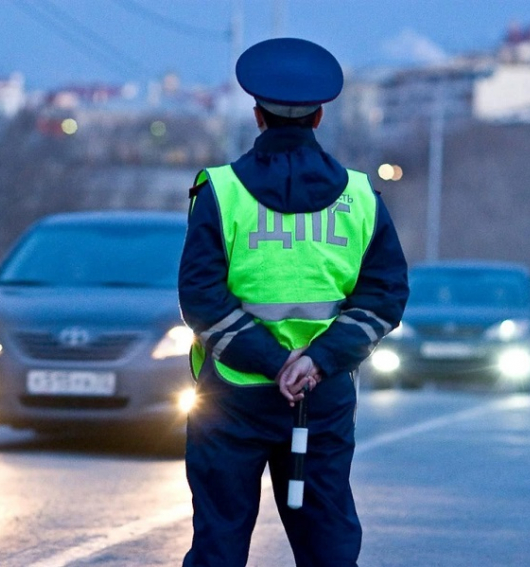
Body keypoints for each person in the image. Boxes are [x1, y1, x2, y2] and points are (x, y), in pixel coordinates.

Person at [178, 37, 409, 567]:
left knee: (219, 543)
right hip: (320, 400)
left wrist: (271, 361)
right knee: (327, 546)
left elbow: (201, 298)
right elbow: (384, 296)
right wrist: (314, 362)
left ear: (256, 115)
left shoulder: (220, 191)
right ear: (320, 117)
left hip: (230, 401)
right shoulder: (360, 197)